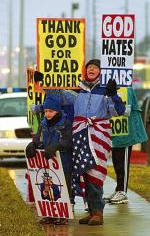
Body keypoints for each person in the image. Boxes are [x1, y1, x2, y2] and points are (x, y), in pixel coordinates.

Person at [47, 59, 125, 225]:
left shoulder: (106, 90)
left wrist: (113, 95)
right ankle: (91, 211)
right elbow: (59, 94)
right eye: (89, 67)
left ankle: (98, 212)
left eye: (95, 67)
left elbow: (118, 111)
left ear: (100, 71)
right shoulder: (79, 91)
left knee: (95, 172)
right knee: (84, 172)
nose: (91, 69)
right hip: (80, 134)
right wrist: (43, 80)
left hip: (98, 136)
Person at [26, 95, 73, 225]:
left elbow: (69, 142)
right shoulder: (43, 123)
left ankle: (63, 214)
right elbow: (38, 139)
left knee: (63, 189)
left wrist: (57, 146)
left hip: (63, 163)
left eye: (51, 111)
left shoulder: (65, 123)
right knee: (47, 188)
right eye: (46, 111)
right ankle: (49, 214)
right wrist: (33, 145)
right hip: (48, 164)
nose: (47, 114)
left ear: (57, 111)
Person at [104, 87, 148, 204]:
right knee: (117, 161)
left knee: (122, 162)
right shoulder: (110, 87)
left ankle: (122, 191)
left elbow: (126, 110)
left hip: (126, 132)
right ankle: (119, 189)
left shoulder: (127, 89)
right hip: (117, 132)